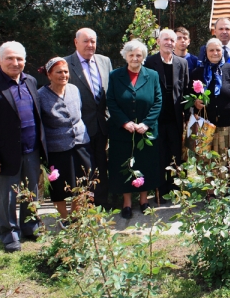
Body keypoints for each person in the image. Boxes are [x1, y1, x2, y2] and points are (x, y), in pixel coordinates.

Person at [0, 41, 48, 252]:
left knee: (31, 193)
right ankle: (9, 234)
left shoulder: (30, 81)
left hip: (31, 151)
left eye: (19, 59)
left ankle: (30, 227)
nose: (15, 63)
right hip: (2, 156)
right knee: (6, 199)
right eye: (10, 58)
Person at [107, 39, 162, 219]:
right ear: (125, 56)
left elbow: (157, 101)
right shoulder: (115, 76)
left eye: (139, 55)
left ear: (143, 57)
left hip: (145, 131)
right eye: (131, 55)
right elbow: (111, 102)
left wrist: (146, 123)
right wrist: (124, 122)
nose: (135, 58)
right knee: (124, 165)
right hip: (122, 132)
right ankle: (127, 202)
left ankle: (144, 200)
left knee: (146, 164)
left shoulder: (152, 75)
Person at [63, 28, 112, 210]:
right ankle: (85, 204)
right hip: (79, 126)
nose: (90, 45)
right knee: (83, 167)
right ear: (76, 42)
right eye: (85, 41)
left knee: (101, 163)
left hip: (103, 123)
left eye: (93, 41)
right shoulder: (67, 63)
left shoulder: (104, 61)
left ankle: (102, 202)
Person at [38, 57, 92, 220]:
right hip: (57, 148)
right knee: (60, 185)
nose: (64, 75)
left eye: (66, 72)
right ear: (49, 75)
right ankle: (64, 217)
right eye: (59, 72)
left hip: (81, 143)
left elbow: (79, 112)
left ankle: (75, 215)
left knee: (81, 181)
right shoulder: (41, 95)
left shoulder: (74, 89)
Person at [145, 29, 189, 204]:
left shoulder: (182, 63)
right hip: (156, 118)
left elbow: (185, 89)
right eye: (166, 40)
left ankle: (176, 189)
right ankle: (161, 190)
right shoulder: (149, 62)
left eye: (173, 40)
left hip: (176, 118)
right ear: (158, 42)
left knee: (176, 154)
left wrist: (188, 114)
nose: (169, 43)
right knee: (160, 155)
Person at [190, 38, 230, 154]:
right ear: (206, 52)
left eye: (217, 50)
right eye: (211, 50)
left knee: (223, 164)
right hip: (203, 126)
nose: (215, 53)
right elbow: (188, 96)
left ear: (222, 51)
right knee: (204, 163)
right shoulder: (197, 72)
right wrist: (194, 103)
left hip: (226, 126)